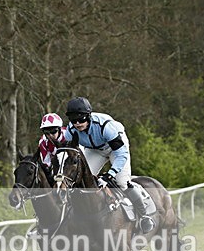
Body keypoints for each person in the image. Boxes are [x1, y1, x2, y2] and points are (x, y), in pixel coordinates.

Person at [62, 96, 155, 233]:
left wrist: (109, 175)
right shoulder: (70, 131)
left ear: (88, 116)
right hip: (94, 150)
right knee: (80, 179)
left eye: (81, 119)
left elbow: (121, 154)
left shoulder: (105, 126)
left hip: (115, 149)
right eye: (73, 120)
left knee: (122, 181)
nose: (77, 123)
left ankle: (144, 216)